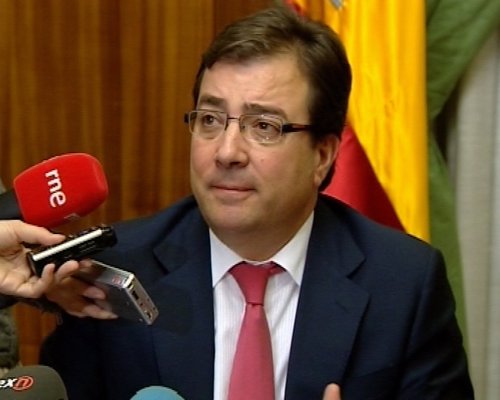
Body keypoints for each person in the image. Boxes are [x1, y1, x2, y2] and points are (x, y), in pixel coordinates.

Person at [40, 6, 474, 400]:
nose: (227, 152)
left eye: (263, 126)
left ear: (323, 155)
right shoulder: (113, 272)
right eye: (211, 120)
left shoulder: (403, 285)